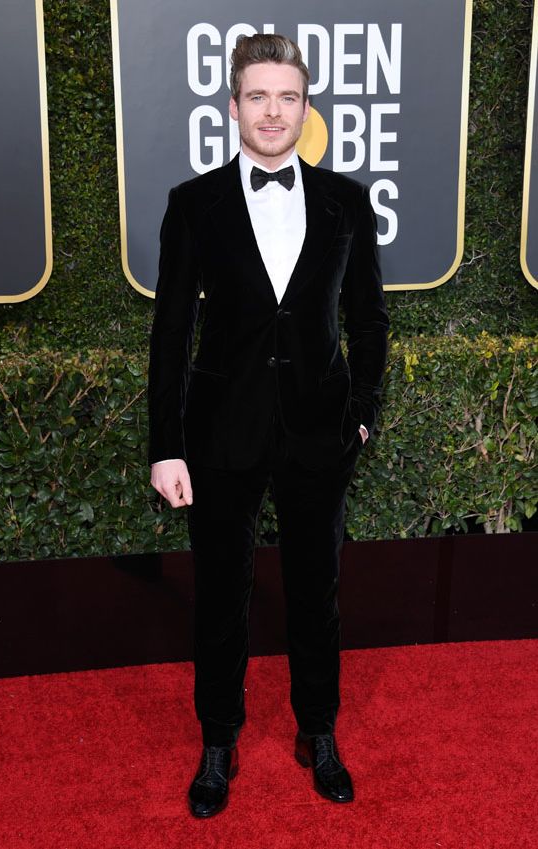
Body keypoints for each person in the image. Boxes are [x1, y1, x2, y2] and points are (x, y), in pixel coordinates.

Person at [148, 33, 389, 818]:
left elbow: (369, 319)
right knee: (221, 592)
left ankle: (318, 731)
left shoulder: (346, 200)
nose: (273, 111)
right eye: (258, 96)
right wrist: (166, 445)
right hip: (221, 430)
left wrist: (361, 415)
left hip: (320, 429)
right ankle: (218, 741)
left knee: (316, 589)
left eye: (287, 96)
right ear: (234, 106)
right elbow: (171, 331)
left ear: (305, 106)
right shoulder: (194, 204)